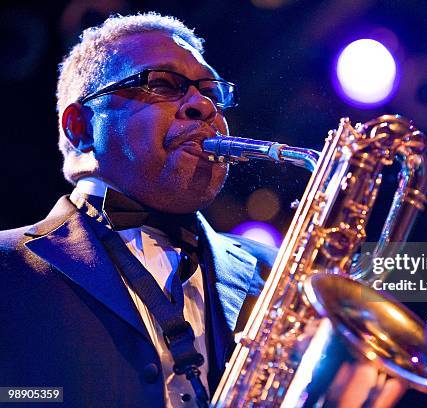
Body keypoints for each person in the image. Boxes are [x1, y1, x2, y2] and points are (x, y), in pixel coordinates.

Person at [0, 12, 276, 407]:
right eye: (162, 84)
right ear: (80, 127)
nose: (203, 106)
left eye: (212, 93)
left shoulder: (278, 269)